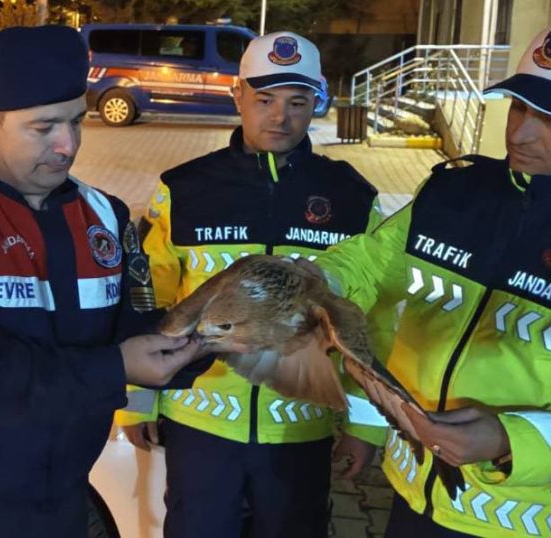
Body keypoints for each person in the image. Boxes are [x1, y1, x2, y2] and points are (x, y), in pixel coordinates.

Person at [0, 25, 214, 538]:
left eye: (77, 121)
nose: (67, 145)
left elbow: (140, 331)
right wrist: (117, 366)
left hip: (63, 502)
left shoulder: (106, 217)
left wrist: (220, 334)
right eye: (43, 127)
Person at [116, 32, 389, 538]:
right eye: (264, 100)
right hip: (199, 424)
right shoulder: (184, 187)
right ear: (237, 94)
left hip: (300, 427)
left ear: (319, 100)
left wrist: (367, 423)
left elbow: (369, 316)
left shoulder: (352, 197)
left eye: (297, 101)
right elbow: (147, 296)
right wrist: (136, 397)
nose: (279, 117)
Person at [309, 24, 551, 537]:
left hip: (521, 518)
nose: (519, 134)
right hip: (412, 491)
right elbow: (369, 263)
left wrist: (512, 439)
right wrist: (308, 280)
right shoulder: (453, 190)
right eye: (518, 108)